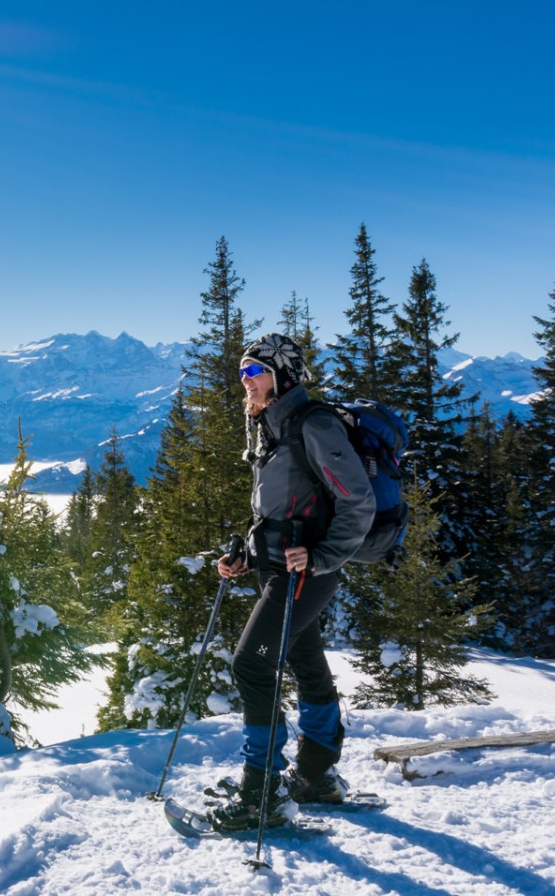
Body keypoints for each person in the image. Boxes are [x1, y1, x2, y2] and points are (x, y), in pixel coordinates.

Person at [207, 333, 375, 832]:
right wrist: (246, 552)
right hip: (277, 568)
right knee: (303, 659)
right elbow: (283, 507)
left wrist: (323, 556)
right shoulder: (274, 429)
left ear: (280, 375)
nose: (244, 383)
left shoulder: (314, 424)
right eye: (242, 374)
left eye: (252, 372)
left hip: (304, 574)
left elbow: (358, 501)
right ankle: (316, 777)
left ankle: (262, 792)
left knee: (251, 669)